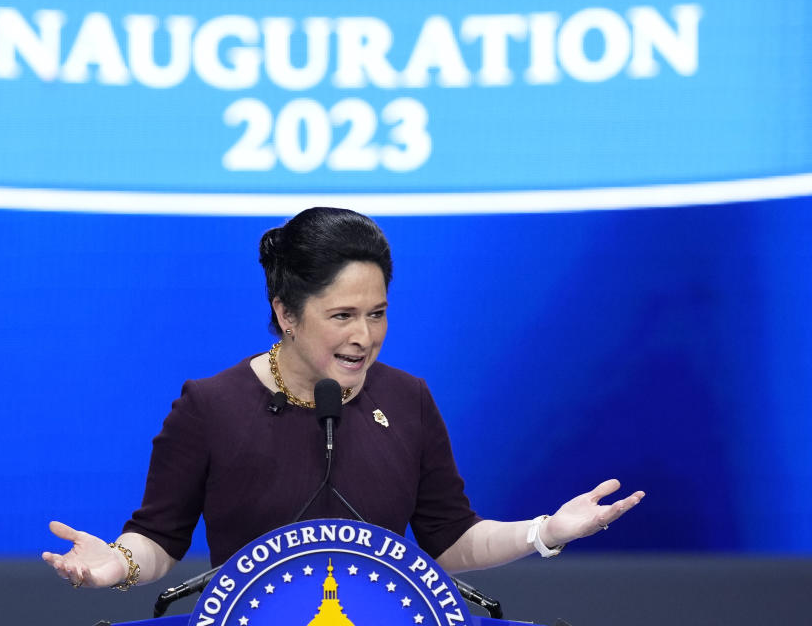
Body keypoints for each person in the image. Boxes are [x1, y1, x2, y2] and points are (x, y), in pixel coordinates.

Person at [42, 207, 644, 590]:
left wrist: (546, 531)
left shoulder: (408, 399)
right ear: (286, 315)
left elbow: (451, 541)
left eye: (377, 313)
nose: (365, 336)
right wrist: (116, 564)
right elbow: (159, 538)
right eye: (343, 316)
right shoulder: (210, 406)